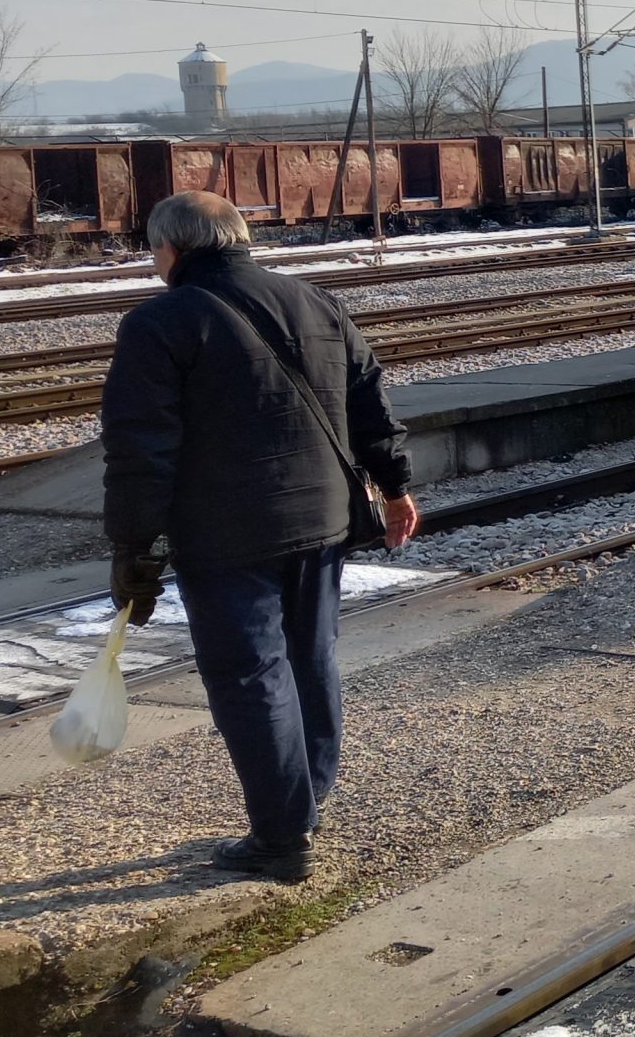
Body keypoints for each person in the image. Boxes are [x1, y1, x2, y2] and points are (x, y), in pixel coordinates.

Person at [103, 191, 418, 882]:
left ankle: (281, 838)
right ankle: (306, 801)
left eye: (154, 252)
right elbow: (371, 401)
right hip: (323, 521)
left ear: (174, 249)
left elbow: (140, 448)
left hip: (226, 534)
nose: (154, 264)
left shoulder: (158, 323)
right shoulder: (319, 303)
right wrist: (394, 486)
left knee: (250, 677)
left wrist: (133, 547)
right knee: (311, 660)